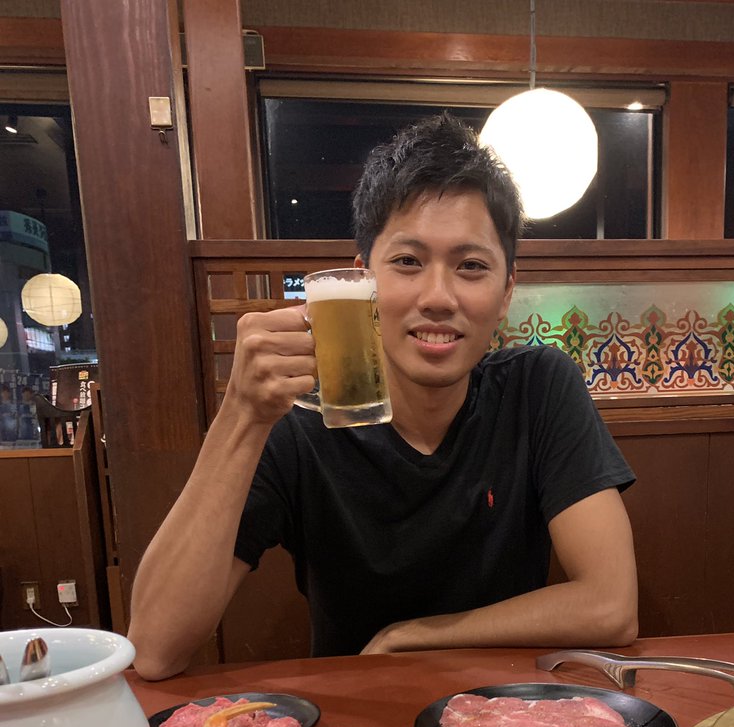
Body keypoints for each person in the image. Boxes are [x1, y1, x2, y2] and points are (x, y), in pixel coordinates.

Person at [128, 114, 638, 680]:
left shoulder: (537, 388)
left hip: (507, 714)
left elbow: (610, 606)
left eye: (471, 266)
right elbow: (155, 648)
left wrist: (410, 637)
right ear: (362, 281)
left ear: (505, 293)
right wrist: (242, 416)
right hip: (355, 724)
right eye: (407, 262)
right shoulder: (299, 424)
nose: (438, 296)